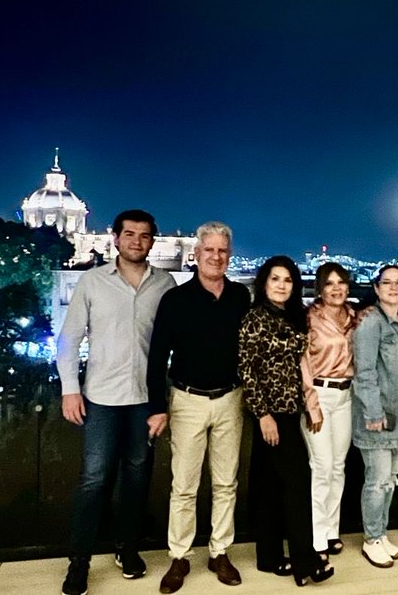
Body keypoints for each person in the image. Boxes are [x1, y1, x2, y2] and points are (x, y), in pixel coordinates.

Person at [56, 210, 178, 595]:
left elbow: (175, 344)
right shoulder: (92, 281)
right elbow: (70, 338)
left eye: (144, 236)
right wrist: (69, 388)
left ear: (152, 242)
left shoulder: (166, 283)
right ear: (115, 239)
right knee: (93, 480)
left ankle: (127, 548)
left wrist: (166, 401)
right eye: (129, 234)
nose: (136, 241)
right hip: (102, 398)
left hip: (145, 399)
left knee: (137, 478)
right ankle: (80, 562)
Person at [147, 222, 249, 593]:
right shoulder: (176, 299)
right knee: (185, 485)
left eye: (222, 251)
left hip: (230, 399)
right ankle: (179, 556)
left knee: (226, 482)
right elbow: (158, 355)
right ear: (196, 254)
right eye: (209, 250)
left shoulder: (240, 297)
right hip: (187, 400)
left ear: (229, 255)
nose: (216, 257)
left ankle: (220, 551)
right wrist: (158, 406)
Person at [240, 256, 335, 586]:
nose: (281, 285)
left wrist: (309, 407)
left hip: (291, 410)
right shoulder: (255, 319)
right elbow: (247, 370)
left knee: (270, 487)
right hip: (270, 414)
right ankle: (305, 562)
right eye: (275, 279)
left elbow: (303, 368)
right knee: (297, 485)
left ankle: (268, 557)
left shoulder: (293, 317)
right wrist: (263, 414)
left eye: (287, 280)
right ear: (264, 282)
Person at [352, 265, 398, 569]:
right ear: (377, 288)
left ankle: (380, 534)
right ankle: (371, 538)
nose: (393, 287)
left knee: (391, 479)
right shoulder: (371, 324)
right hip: (379, 416)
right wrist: (373, 412)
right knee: (377, 480)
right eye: (387, 283)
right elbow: (364, 373)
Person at [301, 262, 356, 558]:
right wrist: (312, 405)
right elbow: (303, 364)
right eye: (329, 283)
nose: (336, 288)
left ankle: (332, 530)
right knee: (320, 468)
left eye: (341, 282)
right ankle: (317, 535)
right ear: (320, 288)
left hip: (346, 396)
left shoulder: (354, 317)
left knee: (338, 467)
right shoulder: (310, 318)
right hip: (319, 395)